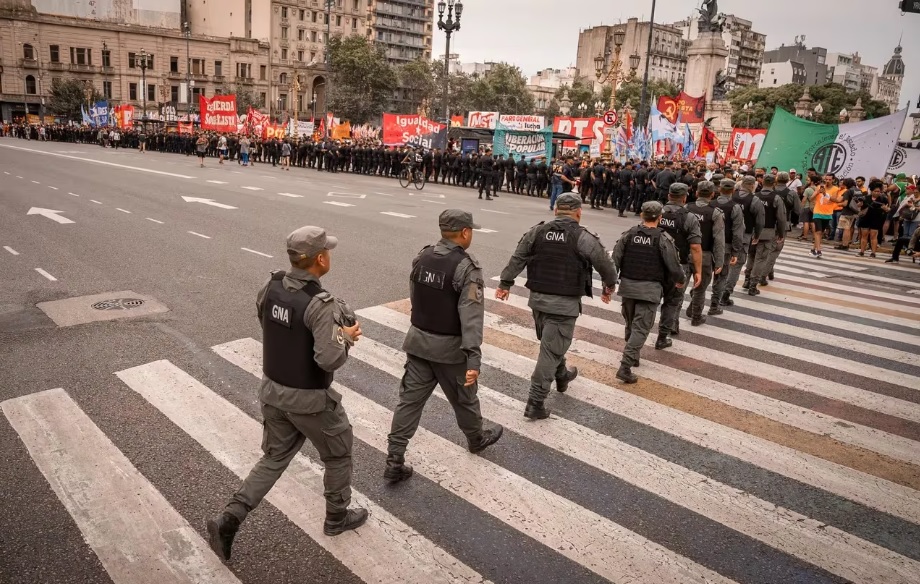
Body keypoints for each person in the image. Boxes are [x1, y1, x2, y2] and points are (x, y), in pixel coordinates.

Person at [207, 226, 367, 562]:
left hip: (272, 392)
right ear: (320, 259)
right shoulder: (321, 304)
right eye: (328, 251)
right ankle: (337, 518)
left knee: (274, 458)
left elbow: (267, 321)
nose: (330, 255)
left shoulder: (272, 286)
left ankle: (229, 519)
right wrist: (346, 337)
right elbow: (328, 359)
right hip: (309, 400)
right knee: (338, 455)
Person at [385, 210, 503, 482]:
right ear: (465, 232)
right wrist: (473, 358)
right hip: (450, 351)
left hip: (418, 344)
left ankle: (394, 458)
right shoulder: (466, 267)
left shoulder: (422, 257)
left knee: (408, 403)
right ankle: (476, 438)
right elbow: (471, 317)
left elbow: (416, 296)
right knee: (465, 397)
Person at [495, 193, 617, 419]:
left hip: (538, 301)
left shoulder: (537, 232)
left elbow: (518, 258)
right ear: (579, 212)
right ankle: (535, 402)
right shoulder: (583, 236)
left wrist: (505, 283)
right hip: (563, 304)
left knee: (552, 344)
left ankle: (562, 376)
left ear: (556, 210)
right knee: (550, 350)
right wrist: (609, 286)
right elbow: (605, 264)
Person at [611, 201, 686, 384]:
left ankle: (634, 356)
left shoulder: (629, 234)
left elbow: (615, 260)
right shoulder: (663, 239)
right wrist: (680, 280)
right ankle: (625, 366)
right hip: (650, 289)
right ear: (660, 217)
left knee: (631, 323)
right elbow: (674, 265)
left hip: (628, 287)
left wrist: (610, 284)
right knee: (641, 328)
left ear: (642, 215)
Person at [656, 183, 702, 348]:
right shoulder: (689, 218)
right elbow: (695, 247)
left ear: (669, 195)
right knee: (673, 301)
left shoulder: (656, 212)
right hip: (679, 265)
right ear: (684, 198)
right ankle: (665, 333)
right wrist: (698, 271)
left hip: (655, 263)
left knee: (649, 299)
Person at [685, 181, 725, 325]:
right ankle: (696, 317)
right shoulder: (715, 213)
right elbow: (719, 239)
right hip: (704, 254)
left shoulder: (687, 208)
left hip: (685, 253)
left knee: (678, 289)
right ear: (712, 194)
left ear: (696, 193)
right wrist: (719, 261)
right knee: (700, 288)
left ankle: (672, 322)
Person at [722, 175, 764, 305]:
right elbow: (760, 221)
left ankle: (718, 291)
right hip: (744, 236)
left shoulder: (732, 196)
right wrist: (757, 235)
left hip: (725, 234)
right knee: (736, 265)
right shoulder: (754, 200)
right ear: (752, 186)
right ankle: (726, 293)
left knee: (723, 264)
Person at [745, 174, 787, 295]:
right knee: (761, 258)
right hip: (767, 232)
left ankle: (747, 279)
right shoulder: (776, 198)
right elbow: (781, 218)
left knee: (751, 255)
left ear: (762, 182)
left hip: (753, 231)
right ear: (774, 183)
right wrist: (781, 233)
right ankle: (753, 284)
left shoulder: (754, 196)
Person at [709, 179, 744, 314]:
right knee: (721, 276)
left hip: (708, 245)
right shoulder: (735, 207)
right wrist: (736, 251)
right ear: (733, 191)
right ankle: (714, 305)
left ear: (719, 189)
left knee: (704, 274)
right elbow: (737, 232)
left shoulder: (710, 204)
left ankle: (695, 303)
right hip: (725, 246)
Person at [857, 180, 889, 257]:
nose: (877, 193)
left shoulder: (883, 199)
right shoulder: (865, 198)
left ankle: (873, 252)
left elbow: (888, 209)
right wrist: (860, 204)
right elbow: (859, 206)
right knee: (864, 235)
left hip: (876, 218)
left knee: (873, 236)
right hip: (865, 218)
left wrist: (885, 208)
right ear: (871, 191)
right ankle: (862, 251)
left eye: (879, 191)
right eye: (875, 191)